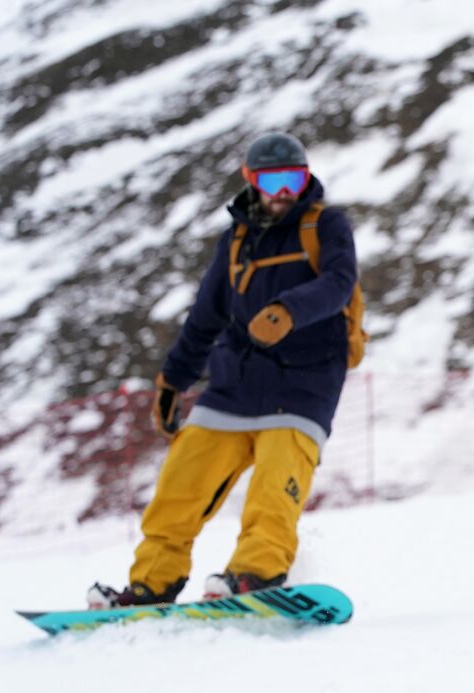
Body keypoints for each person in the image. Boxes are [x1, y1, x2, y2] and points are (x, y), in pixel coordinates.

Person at [89, 131, 360, 607]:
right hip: (234, 383)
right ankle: (150, 585)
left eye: (293, 180)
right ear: (250, 180)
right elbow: (206, 316)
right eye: (272, 180)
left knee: (273, 494)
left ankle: (253, 575)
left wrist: (288, 311)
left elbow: (339, 283)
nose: (283, 194)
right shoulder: (235, 240)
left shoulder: (326, 226)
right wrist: (174, 379)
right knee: (179, 490)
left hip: (305, 385)